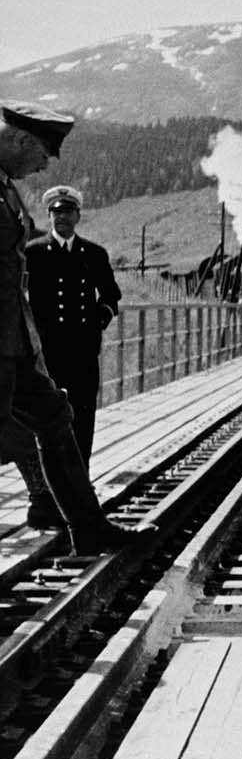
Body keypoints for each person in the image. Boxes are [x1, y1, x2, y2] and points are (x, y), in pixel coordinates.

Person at [0, 101, 150, 554]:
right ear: (21, 141)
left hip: (14, 345)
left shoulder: (6, 187)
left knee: (56, 415)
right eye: (43, 154)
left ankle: (87, 527)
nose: (44, 165)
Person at [25, 185, 121, 466]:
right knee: (49, 421)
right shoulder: (35, 253)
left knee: (83, 416)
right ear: (49, 216)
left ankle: (83, 481)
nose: (62, 218)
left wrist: (100, 318)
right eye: (56, 213)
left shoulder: (93, 253)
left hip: (83, 352)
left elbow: (111, 294)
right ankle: (49, 490)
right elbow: (18, 294)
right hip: (48, 353)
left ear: (78, 216)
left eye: (67, 212)